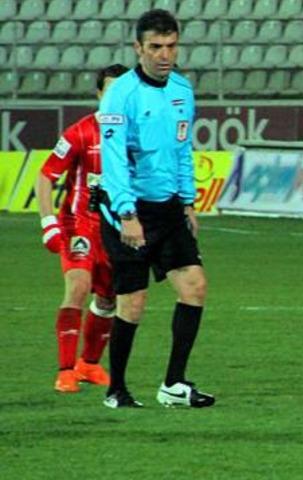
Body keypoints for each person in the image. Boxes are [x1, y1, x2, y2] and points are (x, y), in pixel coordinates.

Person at [97, 9, 214, 409]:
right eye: (156, 47)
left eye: (171, 46)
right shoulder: (121, 94)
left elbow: (182, 149)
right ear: (138, 48)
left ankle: (174, 384)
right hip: (128, 212)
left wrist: (188, 201)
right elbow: (113, 159)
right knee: (133, 303)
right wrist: (127, 214)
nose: (165, 55)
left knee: (195, 287)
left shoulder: (181, 89)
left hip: (168, 209)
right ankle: (117, 390)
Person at [37, 64, 129, 393]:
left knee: (109, 298)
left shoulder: (135, 134)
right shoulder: (80, 132)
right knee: (78, 286)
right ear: (100, 94)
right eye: (111, 91)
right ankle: (65, 371)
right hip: (79, 224)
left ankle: (88, 364)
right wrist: (48, 223)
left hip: (116, 229)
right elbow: (45, 176)